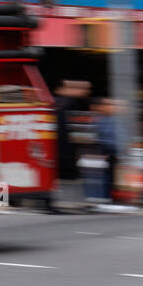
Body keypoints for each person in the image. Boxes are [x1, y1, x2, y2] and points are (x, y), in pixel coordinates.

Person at [50, 80, 90, 213]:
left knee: (60, 176)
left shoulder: (54, 104)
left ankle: (59, 202)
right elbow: (80, 131)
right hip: (66, 149)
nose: (84, 92)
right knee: (71, 176)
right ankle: (73, 203)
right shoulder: (70, 104)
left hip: (57, 148)